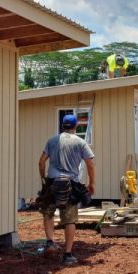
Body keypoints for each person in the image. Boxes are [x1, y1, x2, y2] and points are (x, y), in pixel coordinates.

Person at [38, 114, 95, 265]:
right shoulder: (80, 142)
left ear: (62, 125)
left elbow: (41, 162)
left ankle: (50, 242)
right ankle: (67, 254)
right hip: (70, 184)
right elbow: (90, 164)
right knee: (69, 219)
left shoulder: (52, 141)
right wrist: (91, 184)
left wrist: (44, 180)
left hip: (52, 182)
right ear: (75, 126)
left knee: (48, 213)